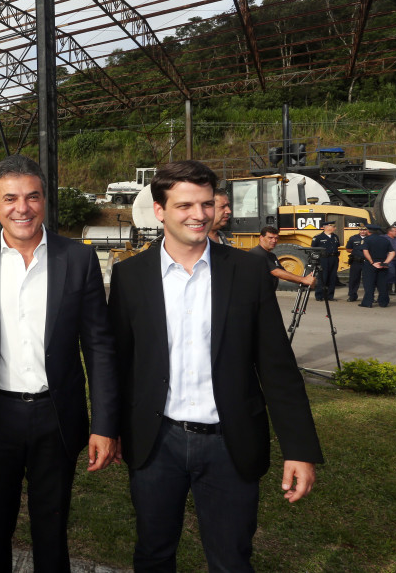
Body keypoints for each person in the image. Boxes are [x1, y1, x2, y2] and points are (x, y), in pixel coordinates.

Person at [108, 160, 323, 573]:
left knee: (231, 559)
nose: (199, 215)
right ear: (160, 210)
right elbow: (120, 362)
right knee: (153, 552)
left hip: (230, 442)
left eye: (206, 204)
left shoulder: (246, 272)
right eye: (185, 205)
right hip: (156, 442)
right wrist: (111, 429)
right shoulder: (130, 276)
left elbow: (277, 365)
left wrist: (299, 449)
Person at [0, 154, 118, 572]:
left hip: (56, 416)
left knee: (52, 526)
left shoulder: (78, 260)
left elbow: (99, 347)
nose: (22, 208)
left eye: (32, 197)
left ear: (45, 201)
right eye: (10, 198)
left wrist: (104, 423)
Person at [248, 225, 316, 291]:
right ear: (261, 238)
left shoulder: (272, 255)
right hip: (256, 295)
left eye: (276, 238)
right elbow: (276, 272)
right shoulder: (257, 253)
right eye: (270, 238)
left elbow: (283, 273)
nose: (274, 241)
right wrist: (303, 280)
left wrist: (304, 280)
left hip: (267, 294)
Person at [361, 224, 395, 308]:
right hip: (382, 264)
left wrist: (372, 262)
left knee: (369, 284)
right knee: (382, 284)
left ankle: (367, 302)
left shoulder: (366, 240)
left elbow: (365, 251)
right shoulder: (385, 240)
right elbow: (392, 252)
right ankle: (383, 303)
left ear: (368, 231)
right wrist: (385, 263)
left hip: (370, 264)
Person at [310, 220, 340, 301]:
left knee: (332, 278)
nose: (335, 228)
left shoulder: (335, 237)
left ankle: (330, 296)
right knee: (323, 277)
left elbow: (337, 246)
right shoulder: (318, 237)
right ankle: (319, 296)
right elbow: (313, 249)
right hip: (323, 259)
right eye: (333, 226)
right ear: (326, 227)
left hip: (334, 259)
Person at [346, 226, 369, 301]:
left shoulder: (370, 238)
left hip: (367, 261)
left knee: (368, 280)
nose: (362, 231)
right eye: (361, 230)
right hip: (356, 261)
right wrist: (355, 251)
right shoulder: (353, 238)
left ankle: (369, 296)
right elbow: (348, 249)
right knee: (354, 279)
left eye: (364, 230)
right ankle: (352, 296)